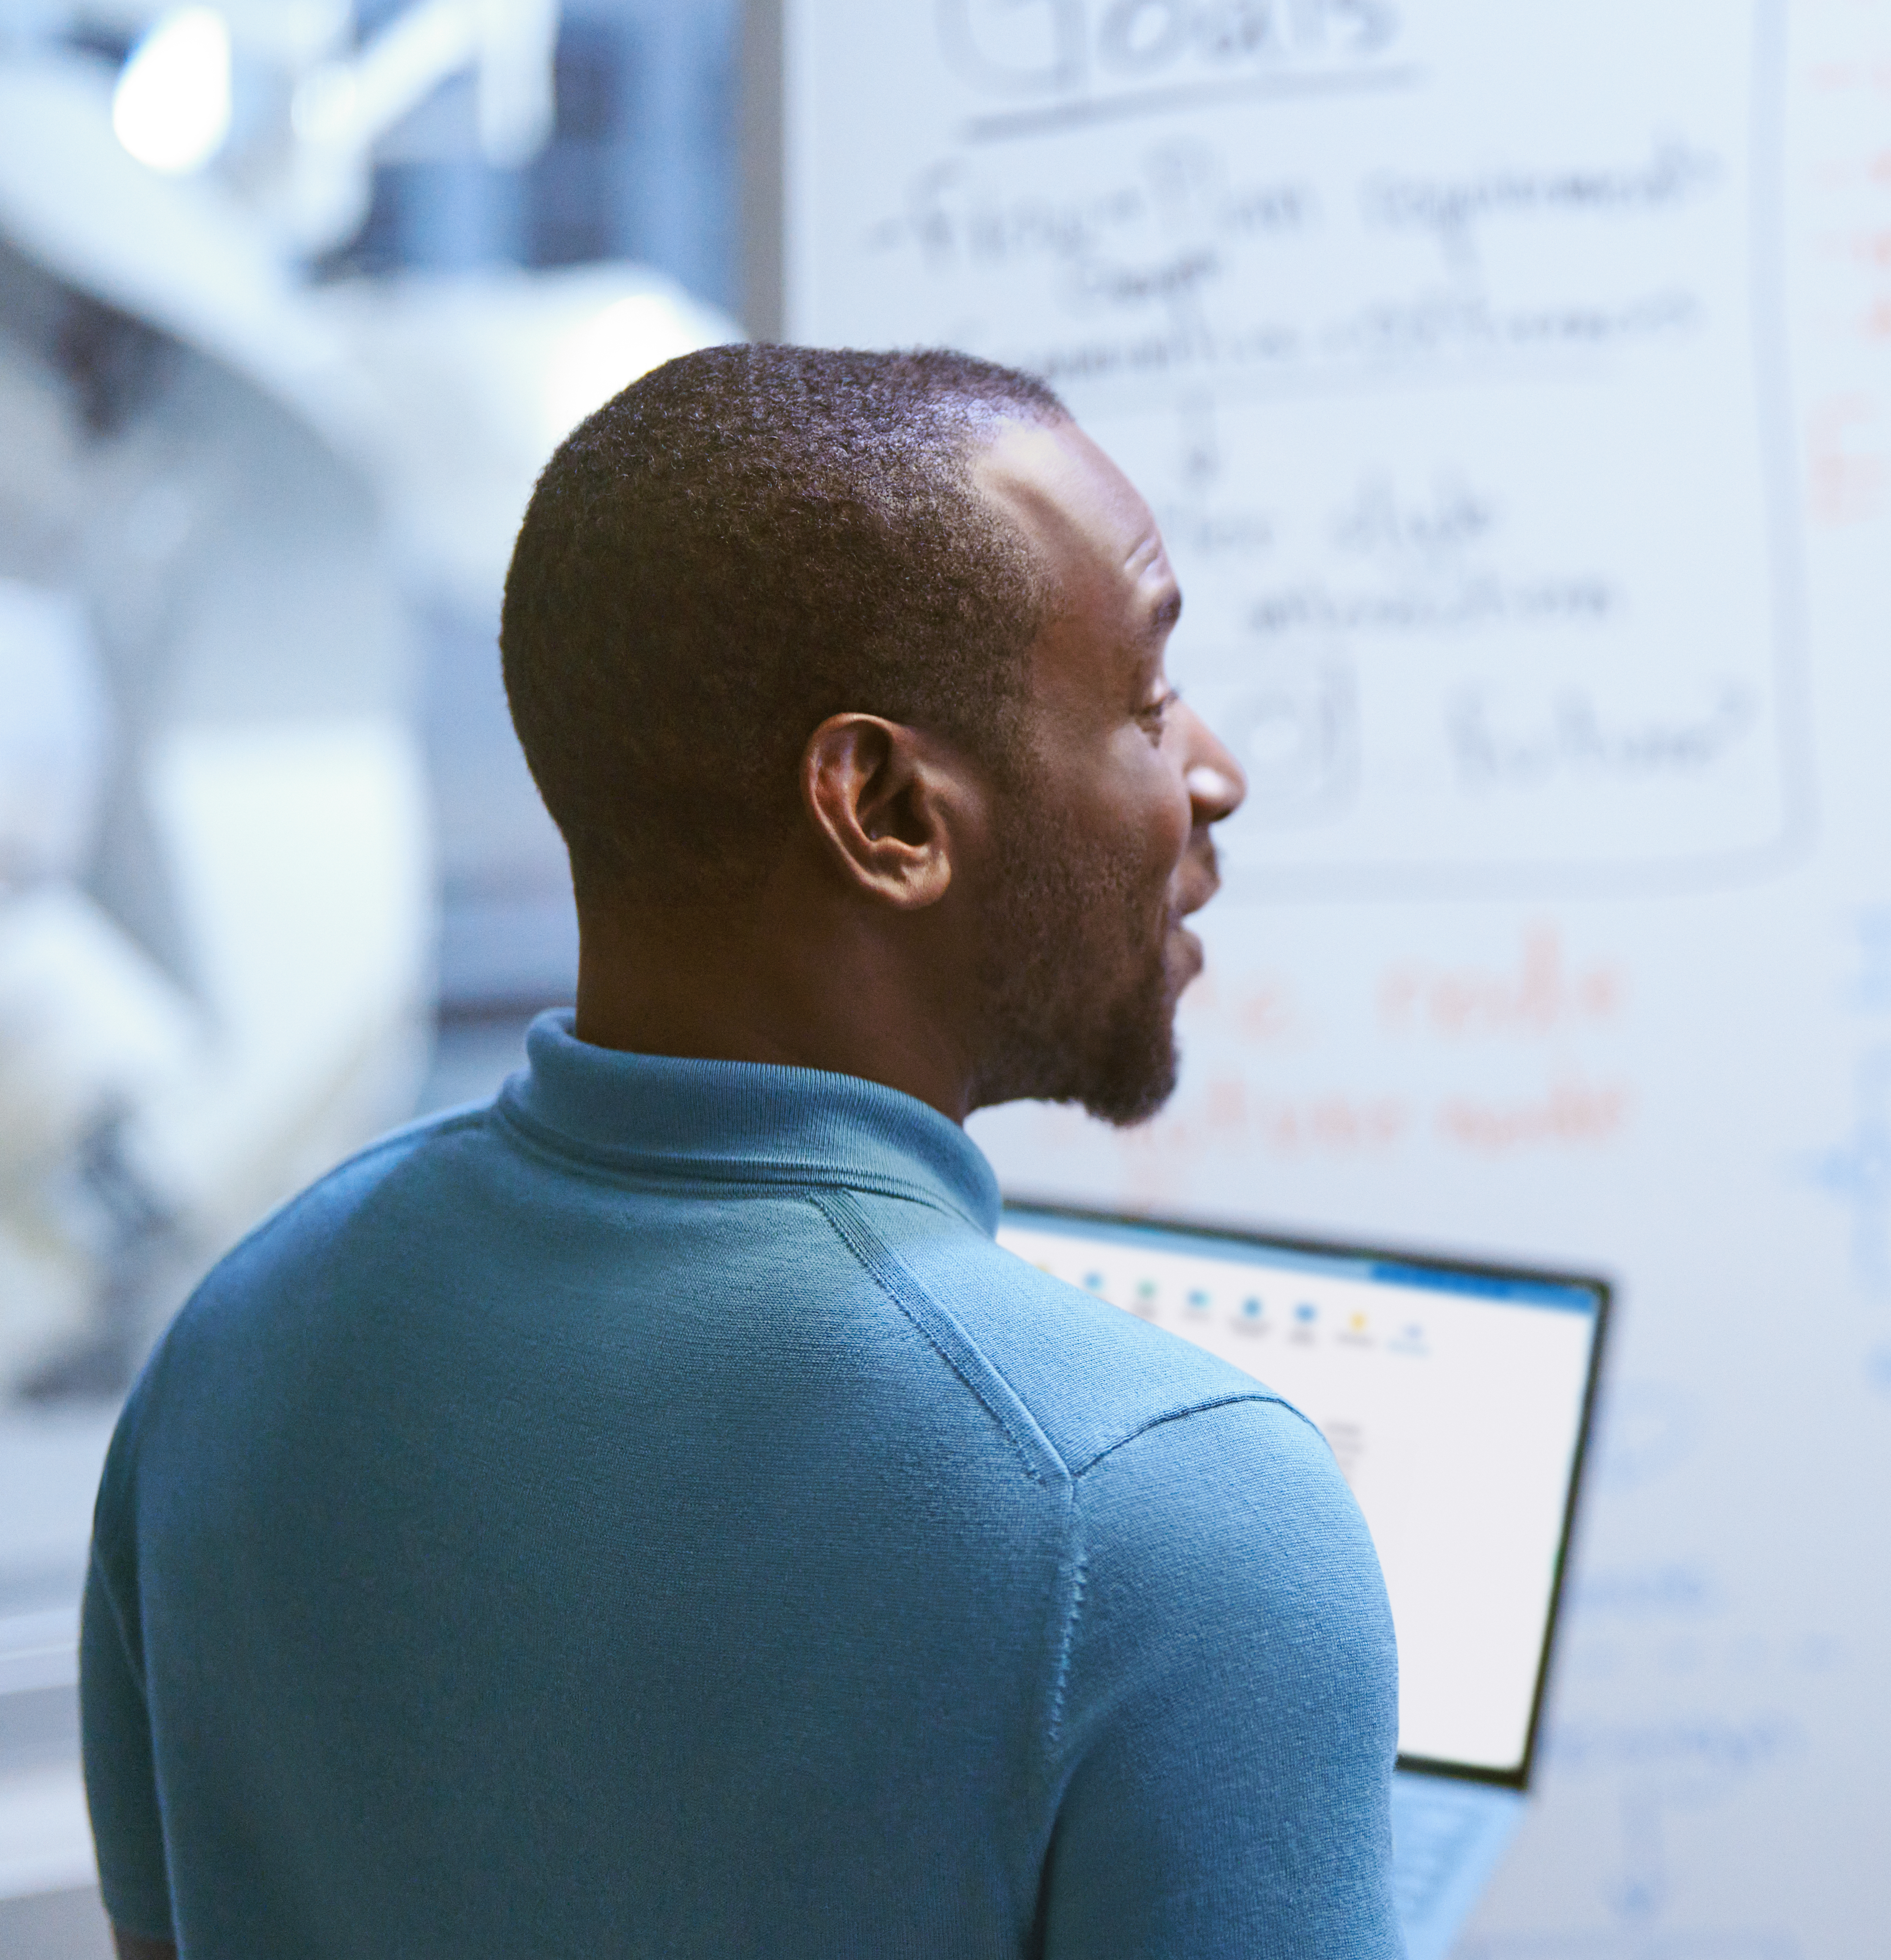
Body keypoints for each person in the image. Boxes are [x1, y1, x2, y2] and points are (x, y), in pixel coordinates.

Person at [77, 346, 1402, 1959]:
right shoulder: (1170, 1512)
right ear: (887, 807)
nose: (1216, 773)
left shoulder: (240, 1340)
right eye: (1141, 697)